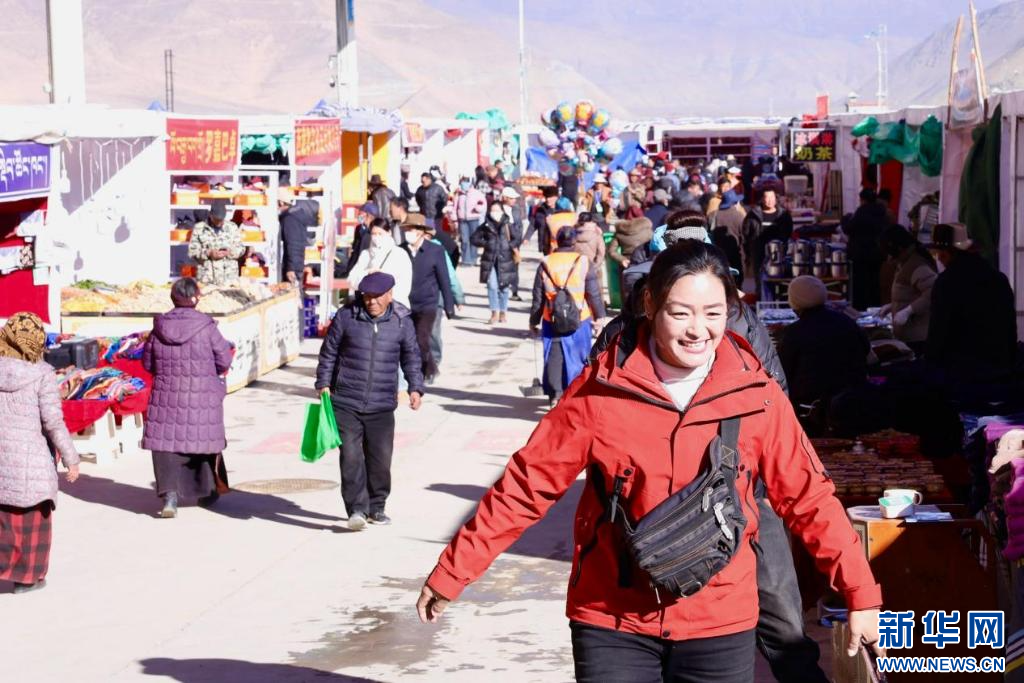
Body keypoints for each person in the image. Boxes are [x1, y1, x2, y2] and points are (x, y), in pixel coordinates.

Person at [418, 241, 883, 682]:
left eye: (713, 313)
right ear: (650, 304)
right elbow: (527, 484)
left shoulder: (756, 395)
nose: (698, 330)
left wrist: (860, 593)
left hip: (719, 619)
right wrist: (455, 571)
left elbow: (809, 498)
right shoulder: (601, 390)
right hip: (611, 616)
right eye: (680, 313)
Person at [315, 272, 424, 530]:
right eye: (367, 297)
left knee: (380, 460)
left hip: (382, 404)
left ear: (390, 295)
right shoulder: (346, 316)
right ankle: (357, 510)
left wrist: (415, 387)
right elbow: (329, 352)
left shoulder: (402, 322)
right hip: (346, 400)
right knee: (351, 457)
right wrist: (323, 383)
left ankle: (377, 506)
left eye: (377, 297)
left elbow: (411, 356)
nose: (371, 302)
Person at [0, 312, 79, 594]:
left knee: (4, 519)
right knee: (32, 521)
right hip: (31, 461)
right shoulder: (42, 374)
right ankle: (28, 578)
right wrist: (71, 458)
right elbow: (53, 422)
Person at [142, 278, 234, 518]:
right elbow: (224, 360)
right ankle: (207, 492)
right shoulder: (207, 327)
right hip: (202, 396)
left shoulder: (159, 328)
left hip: (166, 397)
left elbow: (148, 363)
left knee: (166, 446)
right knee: (202, 441)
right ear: (196, 298)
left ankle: (170, 498)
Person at [926, 222, 1017, 381]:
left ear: (948, 253)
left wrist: (930, 365)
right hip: (999, 368)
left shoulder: (946, 283)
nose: (939, 259)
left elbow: (938, 330)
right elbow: (1010, 325)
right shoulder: (998, 278)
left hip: (961, 372)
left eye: (940, 253)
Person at [529, 227, 607, 403]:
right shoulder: (583, 261)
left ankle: (555, 395)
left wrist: (534, 321)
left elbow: (538, 297)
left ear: (557, 241)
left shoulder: (546, 262)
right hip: (579, 318)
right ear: (573, 241)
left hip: (552, 318)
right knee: (578, 357)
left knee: (553, 356)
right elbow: (593, 293)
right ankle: (574, 394)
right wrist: (599, 317)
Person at [778, 276, 870, 409]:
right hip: (854, 400)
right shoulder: (847, 321)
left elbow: (782, 372)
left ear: (795, 303)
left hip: (812, 407)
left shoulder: (793, 332)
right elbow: (866, 352)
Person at [401, 213, 455, 383]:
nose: (408, 233)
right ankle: (427, 369)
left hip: (428, 303)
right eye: (406, 229)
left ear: (420, 231)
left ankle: (425, 372)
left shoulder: (435, 250)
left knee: (422, 339)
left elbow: (444, 279)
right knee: (409, 340)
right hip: (406, 303)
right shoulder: (401, 250)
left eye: (411, 229)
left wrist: (449, 305)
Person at [878, 225, 937, 354]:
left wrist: (909, 310)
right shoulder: (904, 262)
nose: (889, 259)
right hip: (907, 334)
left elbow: (933, 292)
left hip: (918, 336)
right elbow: (909, 293)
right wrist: (893, 305)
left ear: (900, 248)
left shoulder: (917, 265)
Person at [346, 217, 413, 310]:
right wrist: (368, 273)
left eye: (380, 234)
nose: (376, 237)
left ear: (389, 232)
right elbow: (351, 279)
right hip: (370, 306)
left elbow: (404, 285)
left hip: (394, 307)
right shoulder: (366, 254)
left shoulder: (399, 254)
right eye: (374, 234)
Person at [472, 201, 521, 325]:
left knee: (504, 287)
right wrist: (486, 243)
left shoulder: (508, 224)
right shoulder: (486, 225)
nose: (495, 213)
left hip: (506, 259)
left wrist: (510, 245)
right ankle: (494, 312)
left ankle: (503, 312)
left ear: (502, 211)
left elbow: (517, 238)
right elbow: (474, 238)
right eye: (492, 210)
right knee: (492, 286)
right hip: (490, 260)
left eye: (497, 210)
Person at [846, 188, 889, 310]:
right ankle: (875, 306)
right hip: (877, 253)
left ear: (863, 200)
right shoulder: (882, 212)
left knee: (860, 283)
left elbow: (849, 228)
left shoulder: (862, 211)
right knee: (874, 281)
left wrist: (846, 220)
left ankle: (861, 307)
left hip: (860, 254)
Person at [744, 189, 793, 290]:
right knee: (760, 279)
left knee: (779, 279)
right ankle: (760, 296)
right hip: (759, 252)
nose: (770, 200)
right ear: (762, 199)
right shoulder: (753, 214)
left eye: (772, 197)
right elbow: (746, 232)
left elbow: (788, 231)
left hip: (778, 252)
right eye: (767, 197)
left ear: (776, 199)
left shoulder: (783, 214)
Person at [188, 199, 244, 286]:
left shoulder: (232, 227)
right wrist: (208, 253)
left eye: (221, 220)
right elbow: (192, 251)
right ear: (210, 215)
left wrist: (229, 252)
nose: (219, 223)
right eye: (216, 219)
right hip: (207, 279)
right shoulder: (199, 228)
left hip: (229, 279)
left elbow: (241, 248)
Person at [278, 188, 314, 285]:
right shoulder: (295, 216)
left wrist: (291, 268)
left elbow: (293, 243)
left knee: (291, 291)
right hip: (296, 263)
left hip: (293, 266)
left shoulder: (289, 219)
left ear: (281, 202)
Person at [710, 182, 748, 276]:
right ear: (734, 203)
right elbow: (744, 237)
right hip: (736, 254)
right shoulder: (739, 216)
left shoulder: (713, 215)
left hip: (718, 255)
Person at [453, 176, 486, 267]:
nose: (464, 184)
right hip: (462, 220)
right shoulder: (458, 194)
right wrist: (454, 219)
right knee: (464, 240)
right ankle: (466, 260)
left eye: (466, 181)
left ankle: (473, 258)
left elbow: (483, 204)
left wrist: (477, 208)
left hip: (473, 219)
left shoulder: (476, 193)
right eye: (462, 182)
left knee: (474, 240)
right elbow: (454, 207)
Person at [344, 202, 379, 277]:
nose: (358, 214)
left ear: (368, 215)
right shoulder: (358, 228)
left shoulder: (375, 231)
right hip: (355, 267)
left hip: (367, 269)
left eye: (360, 212)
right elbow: (354, 250)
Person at [524, 186, 559, 254]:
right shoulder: (540, 210)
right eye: (546, 197)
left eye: (550, 197)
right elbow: (533, 224)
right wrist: (527, 237)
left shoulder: (560, 211)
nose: (548, 199)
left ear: (556, 197)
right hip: (544, 244)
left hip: (557, 246)